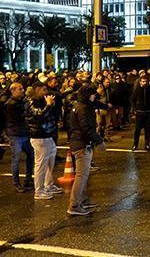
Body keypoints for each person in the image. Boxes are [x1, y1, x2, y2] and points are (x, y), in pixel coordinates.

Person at [67, 84, 105, 216]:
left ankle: (82, 199)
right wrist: (99, 141)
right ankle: (74, 205)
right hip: (81, 145)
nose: (95, 96)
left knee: (83, 175)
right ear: (89, 95)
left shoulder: (80, 106)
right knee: (81, 176)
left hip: (79, 142)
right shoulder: (83, 108)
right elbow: (86, 128)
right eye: (94, 94)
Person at [26, 82, 62, 200]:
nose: (46, 93)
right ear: (37, 90)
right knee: (41, 164)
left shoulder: (43, 101)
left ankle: (48, 185)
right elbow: (39, 115)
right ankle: (39, 190)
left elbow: (51, 116)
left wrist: (51, 105)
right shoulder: (31, 102)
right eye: (44, 90)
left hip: (48, 134)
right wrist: (48, 106)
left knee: (50, 160)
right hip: (39, 136)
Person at [4, 82, 34, 193]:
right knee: (16, 159)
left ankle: (28, 178)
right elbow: (19, 117)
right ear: (13, 91)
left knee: (30, 154)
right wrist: (27, 107)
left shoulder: (21, 101)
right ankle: (16, 183)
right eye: (20, 89)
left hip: (24, 132)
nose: (23, 90)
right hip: (15, 134)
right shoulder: (10, 104)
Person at [131, 75, 150, 151]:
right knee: (137, 129)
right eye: (143, 81)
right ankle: (135, 144)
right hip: (140, 112)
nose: (144, 83)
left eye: (145, 81)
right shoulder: (137, 90)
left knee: (147, 129)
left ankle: (147, 145)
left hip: (148, 112)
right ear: (140, 82)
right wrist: (135, 109)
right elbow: (132, 99)